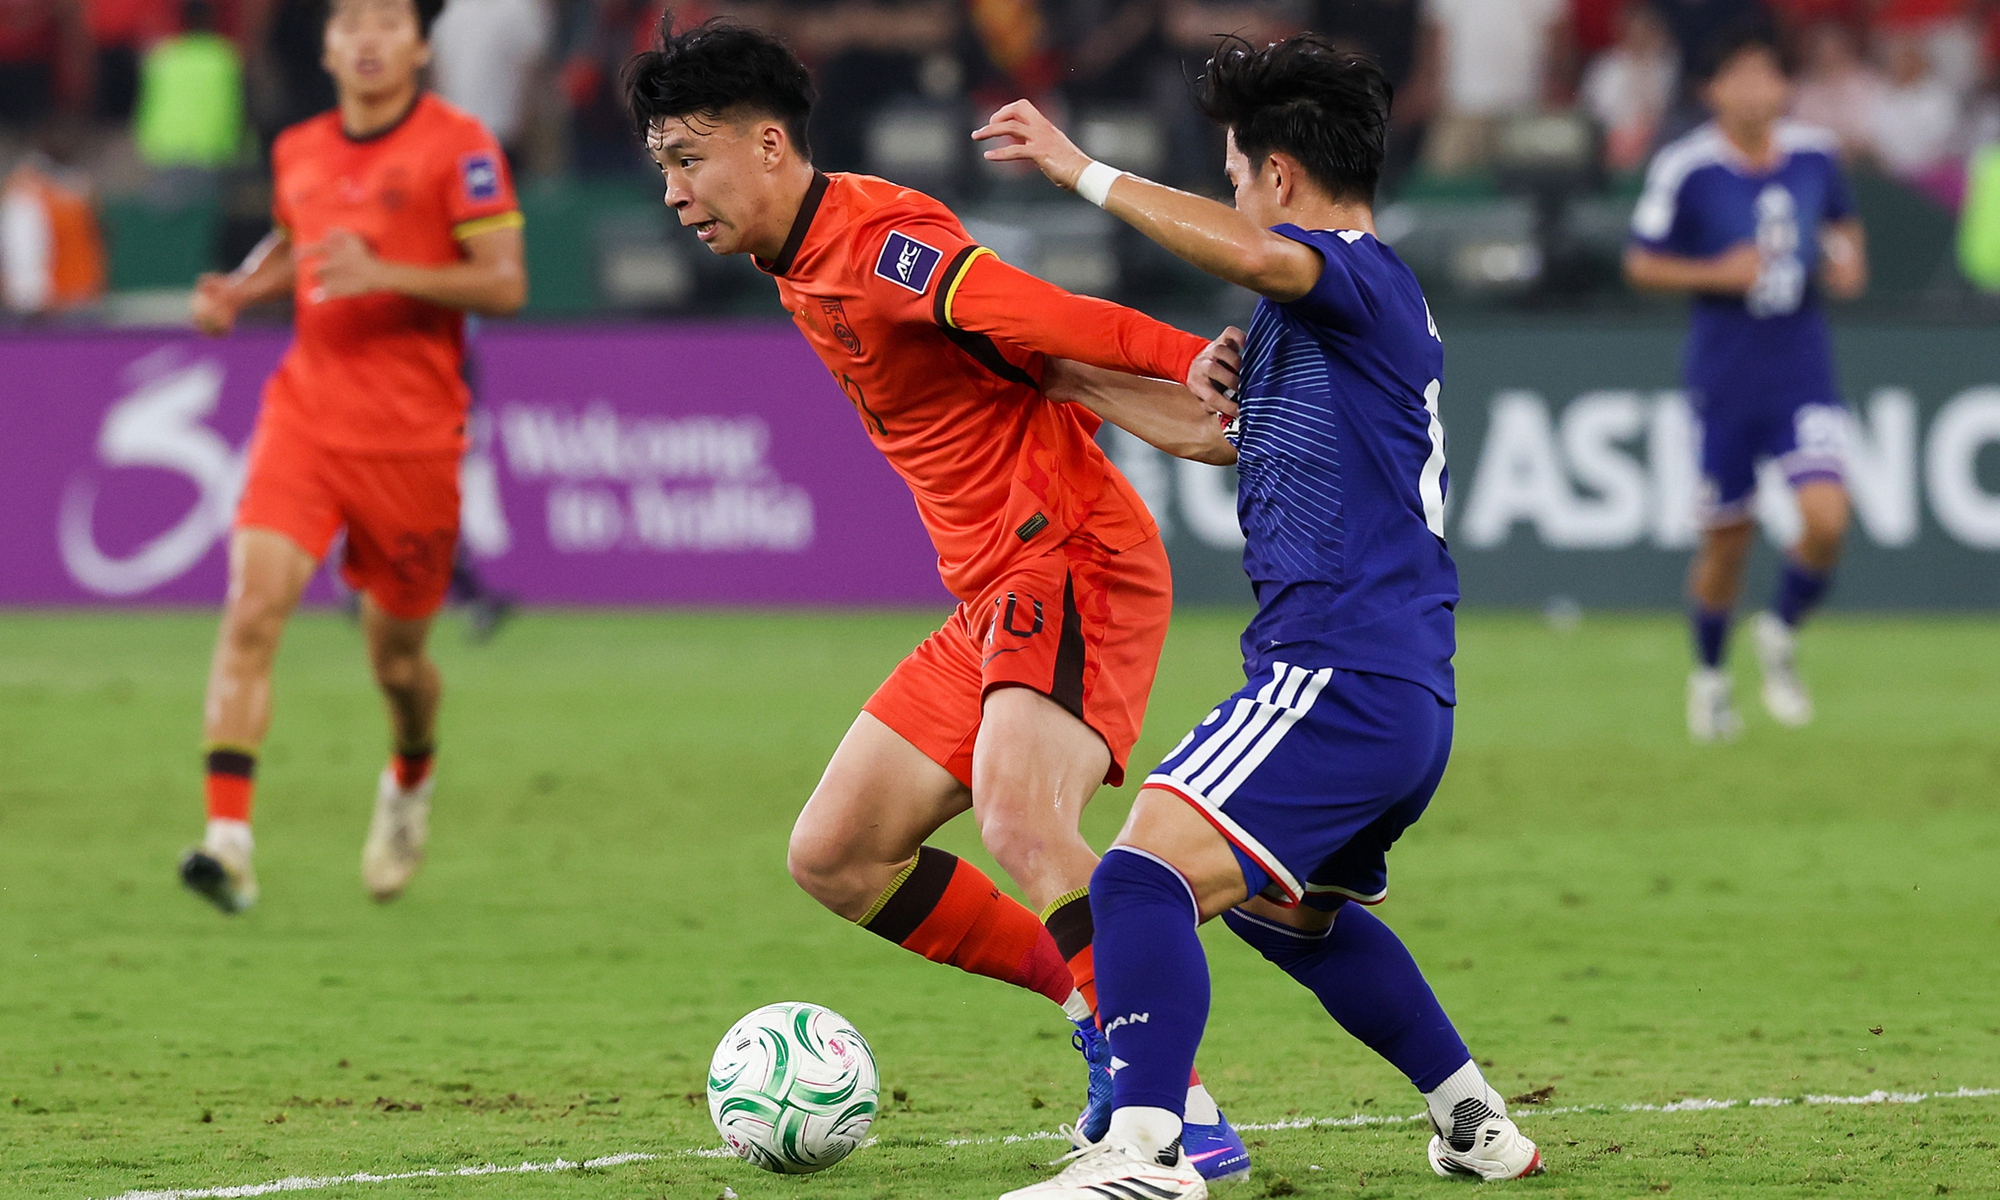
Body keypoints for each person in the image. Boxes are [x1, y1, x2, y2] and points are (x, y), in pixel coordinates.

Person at [621, 19, 1251, 1182]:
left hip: (1065, 556)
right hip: (995, 591)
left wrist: (1180, 360)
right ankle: (1088, 1007)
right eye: (662, 164)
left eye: (688, 157)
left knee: (1020, 820)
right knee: (838, 854)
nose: (673, 190)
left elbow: (1027, 311)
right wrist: (1175, 414)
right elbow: (1035, 369)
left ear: (768, 144)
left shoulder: (876, 241)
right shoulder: (794, 259)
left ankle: (1174, 1114)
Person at [974, 34, 1543, 1198]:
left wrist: (1081, 170)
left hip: (1333, 676)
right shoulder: (1318, 325)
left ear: (1278, 176)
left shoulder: (1350, 270)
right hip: (1396, 692)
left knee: (1137, 879)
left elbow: (1253, 251)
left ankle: (1142, 1151)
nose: (1231, 194)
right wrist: (1067, 377)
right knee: (1289, 917)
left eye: (1234, 171)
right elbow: (1214, 433)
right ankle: (1474, 1120)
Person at [176, 0, 528, 912]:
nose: (368, 39)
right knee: (253, 608)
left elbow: (505, 280)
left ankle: (409, 780)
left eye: (387, 22)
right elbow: (299, 240)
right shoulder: (299, 148)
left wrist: (390, 274)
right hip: (305, 419)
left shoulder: (461, 146)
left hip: (411, 443)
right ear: (327, 45)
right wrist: (242, 290)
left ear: (419, 43)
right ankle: (228, 840)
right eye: (351, 23)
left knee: (398, 667)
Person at [1624, 21, 1865, 741]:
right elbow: (1641, 262)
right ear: (1713, 89)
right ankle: (1710, 678)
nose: (1758, 89)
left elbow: (1845, 228)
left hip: (1803, 372)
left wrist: (1849, 261)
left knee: (1826, 521)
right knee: (1728, 543)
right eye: (1742, 75)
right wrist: (1714, 272)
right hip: (1725, 383)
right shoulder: (1687, 168)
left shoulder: (1818, 156)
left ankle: (1781, 632)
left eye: (1769, 74)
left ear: (1786, 86)